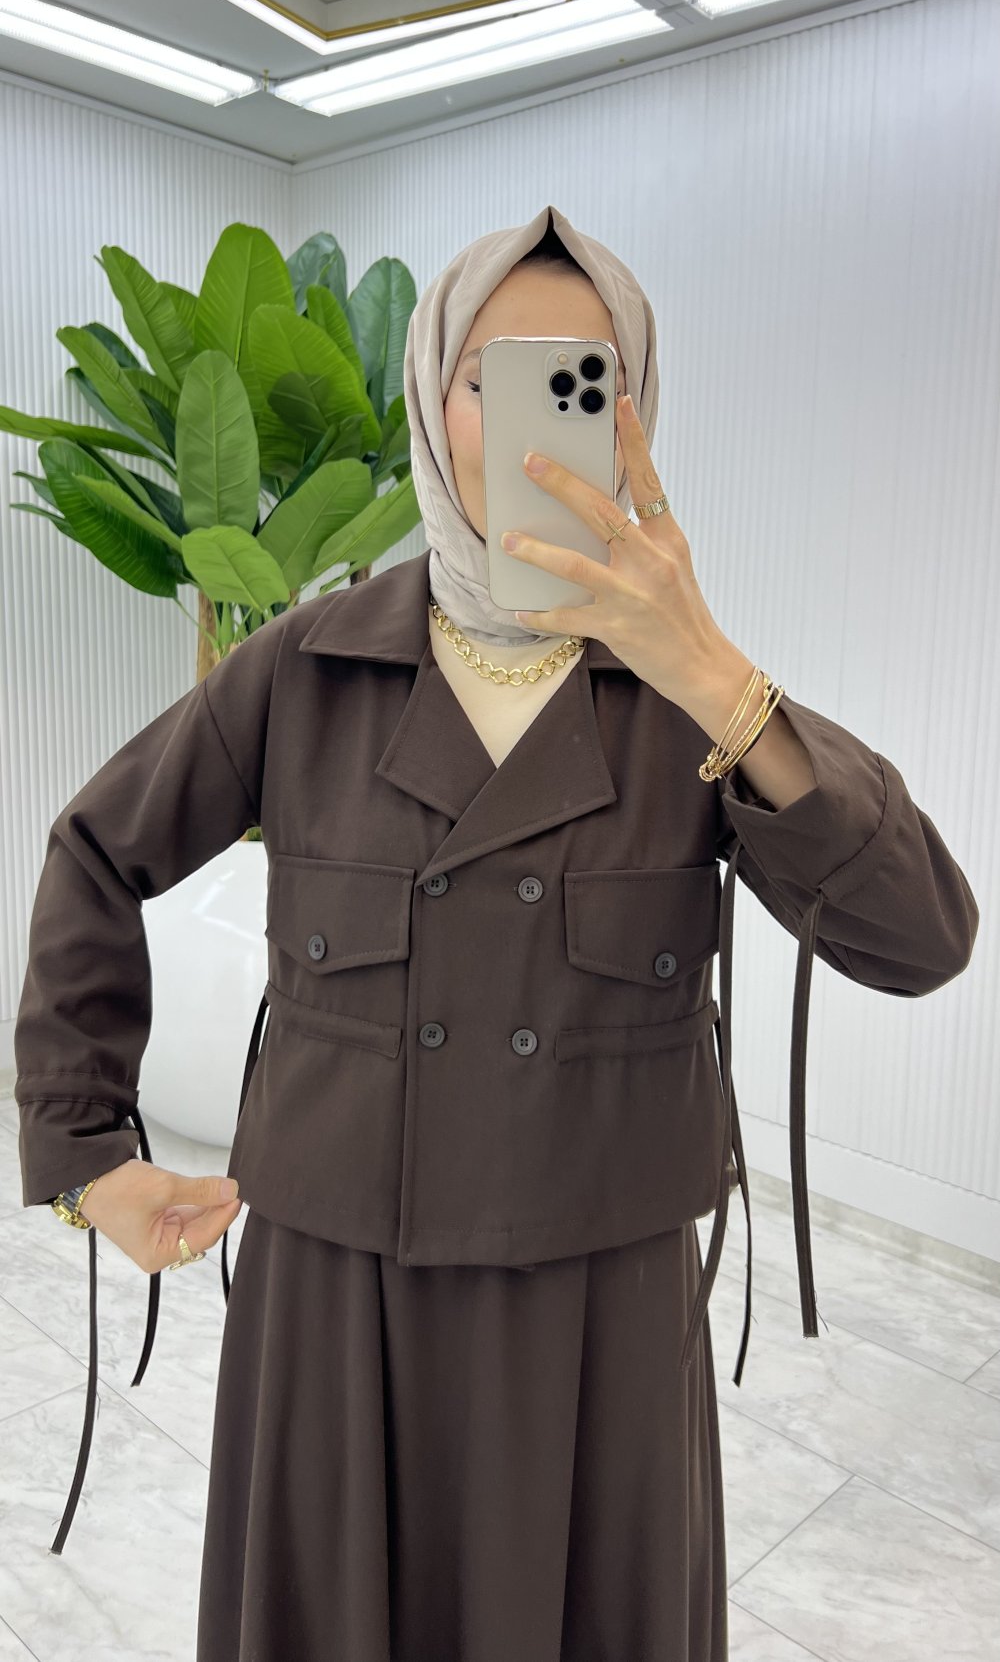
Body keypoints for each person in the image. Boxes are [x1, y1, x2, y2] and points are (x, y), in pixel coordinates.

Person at [15, 203, 979, 1660]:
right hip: (336, 1298)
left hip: (601, 1310)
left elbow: (924, 937)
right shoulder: (305, 667)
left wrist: (717, 675)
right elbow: (96, 847)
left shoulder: (697, 703)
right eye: (497, 378)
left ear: (637, 416)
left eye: (587, 383)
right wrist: (87, 1155)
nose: (537, 428)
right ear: (434, 398)